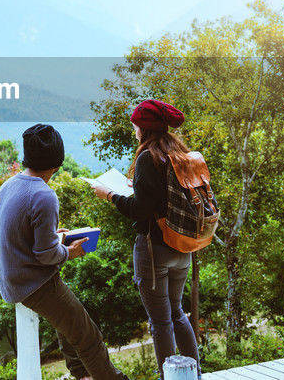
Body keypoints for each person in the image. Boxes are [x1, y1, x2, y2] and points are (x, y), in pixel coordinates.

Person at [0, 123, 130, 380]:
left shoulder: (10, 185)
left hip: (10, 277)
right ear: (57, 161)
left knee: (71, 322)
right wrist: (71, 252)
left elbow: (21, 235)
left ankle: (82, 375)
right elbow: (46, 255)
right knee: (88, 336)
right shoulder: (43, 195)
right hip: (32, 283)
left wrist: (56, 237)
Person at [91, 100, 202, 376]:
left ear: (144, 128)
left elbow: (139, 210)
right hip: (182, 248)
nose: (134, 131)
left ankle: (169, 377)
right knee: (177, 314)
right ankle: (194, 375)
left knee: (161, 322)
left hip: (155, 252)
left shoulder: (146, 158)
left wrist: (110, 195)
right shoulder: (178, 153)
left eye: (135, 126)